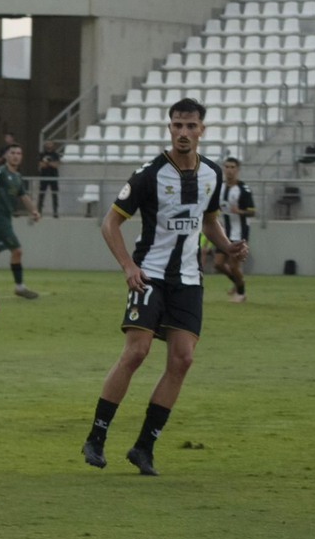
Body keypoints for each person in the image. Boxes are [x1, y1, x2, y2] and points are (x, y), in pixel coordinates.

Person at [81, 98, 247, 476]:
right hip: (150, 276)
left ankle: (144, 447)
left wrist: (228, 247)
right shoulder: (149, 174)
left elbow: (208, 221)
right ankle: (96, 436)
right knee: (135, 353)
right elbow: (110, 224)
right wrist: (128, 266)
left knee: (183, 359)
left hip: (189, 280)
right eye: (177, 125)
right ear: (169, 128)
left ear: (202, 129)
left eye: (190, 126)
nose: (183, 133)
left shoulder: (212, 174)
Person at [0, 143, 41, 300]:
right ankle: (19, 287)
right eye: (13, 153)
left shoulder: (17, 176)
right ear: (6, 156)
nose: (16, 155)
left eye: (19, 153)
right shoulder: (0, 172)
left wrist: (34, 211)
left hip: (6, 219)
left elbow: (23, 195)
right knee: (17, 250)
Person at [217, 156, 255, 302]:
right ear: (224, 169)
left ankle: (241, 293)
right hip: (224, 231)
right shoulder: (219, 187)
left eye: (233, 167)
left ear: (237, 170)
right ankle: (238, 280)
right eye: (227, 167)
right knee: (218, 264)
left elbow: (252, 211)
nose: (229, 170)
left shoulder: (243, 189)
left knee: (233, 265)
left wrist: (239, 211)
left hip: (239, 231)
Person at [36, 140, 61, 217]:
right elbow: (41, 165)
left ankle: (55, 212)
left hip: (53, 177)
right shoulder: (42, 154)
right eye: (47, 143)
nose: (49, 145)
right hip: (44, 177)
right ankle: (39, 211)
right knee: (41, 194)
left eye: (50, 143)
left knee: (54, 194)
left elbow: (56, 165)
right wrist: (49, 163)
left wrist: (47, 162)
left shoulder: (55, 155)